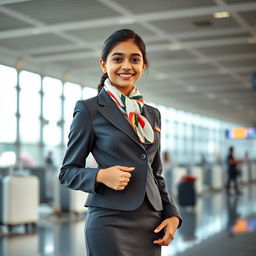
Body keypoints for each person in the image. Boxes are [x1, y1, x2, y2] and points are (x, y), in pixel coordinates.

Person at [59, 29, 181, 256]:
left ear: (144, 66)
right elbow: (67, 172)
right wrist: (100, 176)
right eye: (117, 59)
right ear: (103, 65)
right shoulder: (89, 109)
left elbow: (156, 173)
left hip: (151, 223)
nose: (127, 66)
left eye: (135, 59)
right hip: (109, 221)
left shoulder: (152, 115)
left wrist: (172, 214)